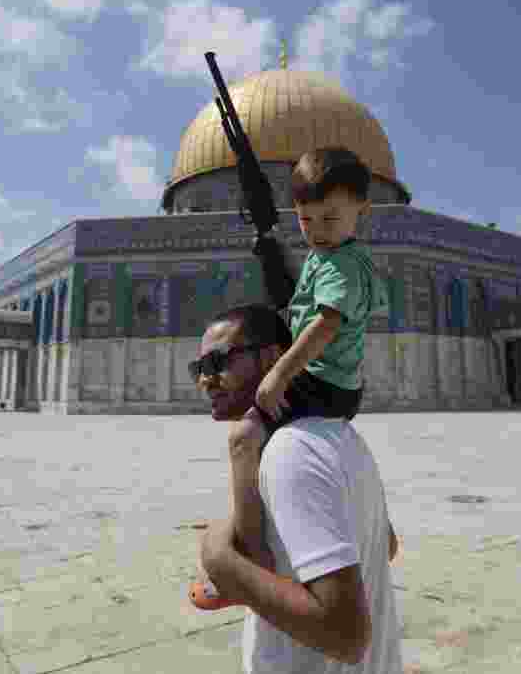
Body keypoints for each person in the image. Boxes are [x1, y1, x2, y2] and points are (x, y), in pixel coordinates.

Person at [190, 147, 388, 610]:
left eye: (329, 219)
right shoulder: (332, 256)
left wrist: (279, 373)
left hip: (323, 381)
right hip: (333, 384)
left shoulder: (341, 264)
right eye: (306, 221)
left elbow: (324, 325)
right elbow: (300, 305)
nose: (317, 232)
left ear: (363, 208)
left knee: (244, 438)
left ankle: (251, 562)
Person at [193, 304, 401, 671]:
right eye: (200, 369)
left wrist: (220, 559)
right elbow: (385, 544)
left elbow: (346, 638)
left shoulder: (290, 454)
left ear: (275, 356)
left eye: (218, 362)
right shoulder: (339, 434)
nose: (205, 380)